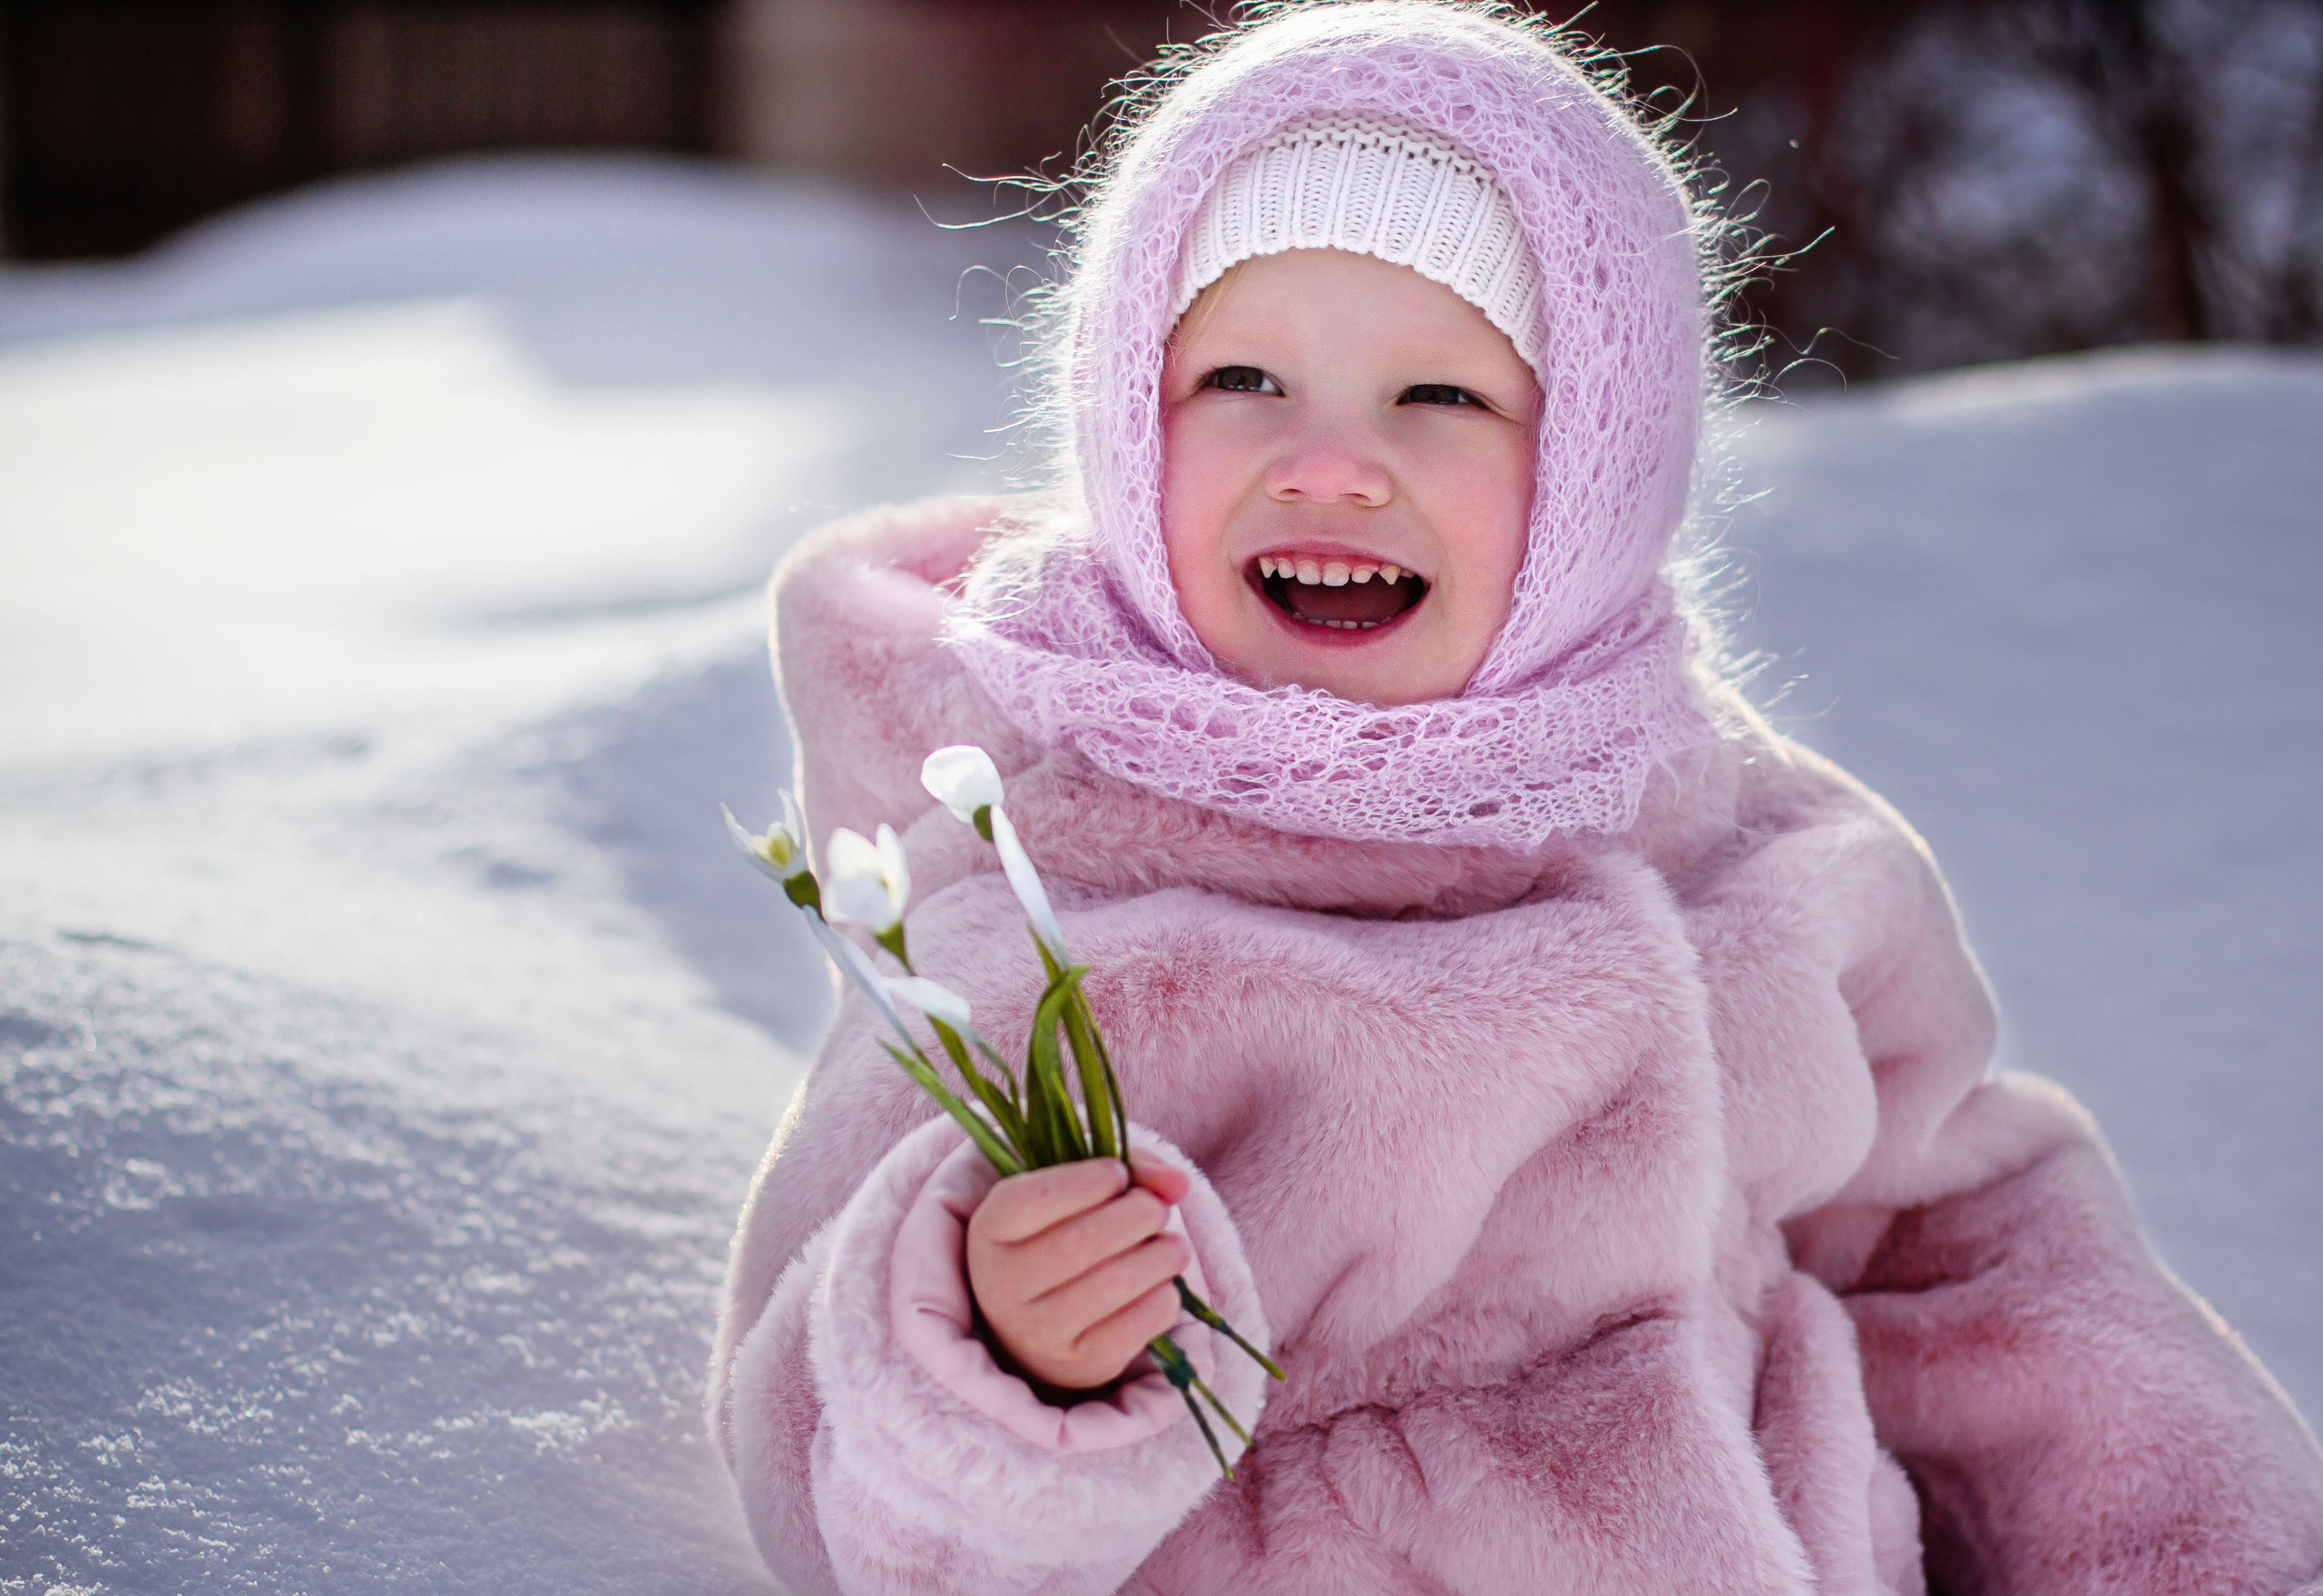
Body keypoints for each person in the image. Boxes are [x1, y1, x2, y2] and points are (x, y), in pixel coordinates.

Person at [708, 5, 2323, 1591]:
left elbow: (1962, 1245)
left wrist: (2185, 1549)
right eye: (1244, 379)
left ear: (1600, 469)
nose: (1328, 463)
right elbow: (821, 1470)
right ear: (1128, 426)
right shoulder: (1046, 898)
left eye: (1441, 398)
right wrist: (1000, 1357)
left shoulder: (1745, 834)